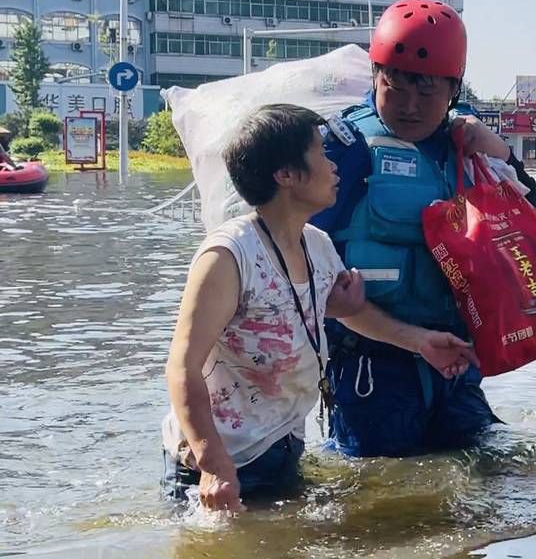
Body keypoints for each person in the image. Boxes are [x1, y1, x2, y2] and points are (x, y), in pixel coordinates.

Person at [160, 103, 472, 509]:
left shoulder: (317, 246)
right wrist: (214, 465)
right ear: (286, 175)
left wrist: (420, 342)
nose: (334, 167)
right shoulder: (227, 256)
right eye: (321, 155)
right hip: (216, 465)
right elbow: (182, 367)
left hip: (280, 449)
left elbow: (354, 314)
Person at [311, 0, 536, 459]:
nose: (410, 106)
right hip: (372, 372)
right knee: (384, 505)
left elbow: (534, 238)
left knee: (498, 483)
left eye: (427, 93)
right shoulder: (343, 150)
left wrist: (504, 156)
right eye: (395, 88)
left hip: (457, 370)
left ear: (453, 91)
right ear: (376, 76)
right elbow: (291, 260)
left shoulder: (469, 148)